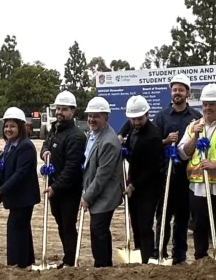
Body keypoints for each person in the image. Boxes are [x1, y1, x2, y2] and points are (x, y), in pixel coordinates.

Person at [177, 83, 216, 261]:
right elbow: (183, 153)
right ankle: (201, 260)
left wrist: (215, 164)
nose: (208, 108)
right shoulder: (193, 126)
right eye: (205, 104)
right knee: (199, 226)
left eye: (212, 104)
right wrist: (195, 137)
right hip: (197, 187)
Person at [151, 74, 201, 264]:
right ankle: (159, 253)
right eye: (174, 89)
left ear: (187, 93)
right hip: (165, 175)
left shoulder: (196, 117)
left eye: (181, 89)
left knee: (182, 217)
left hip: (186, 175)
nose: (177, 92)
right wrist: (165, 141)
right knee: (163, 215)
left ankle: (179, 256)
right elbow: (152, 142)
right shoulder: (161, 117)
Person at [40, 90, 86, 267]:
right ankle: (68, 258)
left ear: (73, 111)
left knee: (68, 226)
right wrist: (45, 152)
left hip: (69, 191)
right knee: (61, 224)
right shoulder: (55, 129)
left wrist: (55, 187)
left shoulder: (76, 136)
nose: (59, 112)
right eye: (58, 109)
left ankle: (71, 261)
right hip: (55, 187)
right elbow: (45, 145)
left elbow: (71, 168)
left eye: (64, 109)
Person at [0, 107, 40, 268]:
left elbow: (20, 173)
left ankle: (16, 265)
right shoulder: (10, 145)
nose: (8, 129)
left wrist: (1, 190)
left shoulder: (25, 146)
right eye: (6, 126)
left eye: (12, 126)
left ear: (20, 127)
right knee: (22, 231)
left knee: (15, 231)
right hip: (17, 198)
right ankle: (27, 262)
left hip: (23, 198)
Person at [80, 97, 123, 267]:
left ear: (106, 118)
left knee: (98, 229)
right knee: (99, 231)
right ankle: (102, 265)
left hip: (105, 195)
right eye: (90, 116)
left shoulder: (109, 142)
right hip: (96, 191)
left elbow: (102, 176)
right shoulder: (93, 135)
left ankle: (103, 266)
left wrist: (87, 197)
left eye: (96, 116)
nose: (92, 119)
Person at [122, 95, 164, 264]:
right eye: (133, 119)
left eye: (139, 119)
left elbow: (152, 169)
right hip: (133, 183)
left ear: (147, 114)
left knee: (145, 225)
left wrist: (133, 185)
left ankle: (147, 259)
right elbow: (126, 127)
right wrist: (121, 136)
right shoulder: (132, 127)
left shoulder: (153, 137)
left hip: (148, 188)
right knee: (135, 223)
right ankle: (138, 254)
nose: (136, 122)